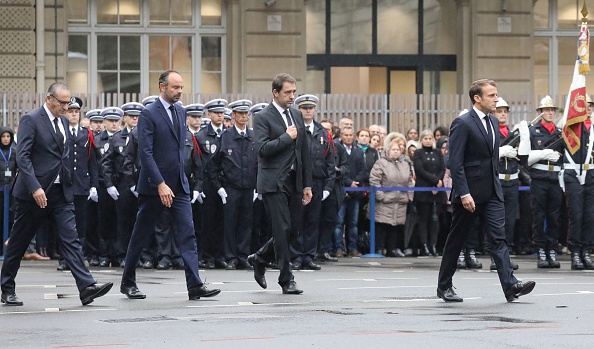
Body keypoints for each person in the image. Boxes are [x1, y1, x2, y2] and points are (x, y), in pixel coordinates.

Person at [0, 82, 113, 306]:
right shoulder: (31, 120)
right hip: (34, 194)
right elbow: (23, 157)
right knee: (19, 242)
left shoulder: (62, 122)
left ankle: (86, 286)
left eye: (68, 102)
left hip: (61, 193)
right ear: (49, 98)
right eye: (62, 102)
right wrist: (35, 187)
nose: (66, 106)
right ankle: (7, 286)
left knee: (70, 239)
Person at [120, 70, 220, 300]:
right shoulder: (148, 113)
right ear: (162, 87)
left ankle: (194, 285)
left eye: (181, 87)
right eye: (175, 87)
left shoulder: (180, 110)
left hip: (179, 186)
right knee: (141, 234)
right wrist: (160, 184)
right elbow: (145, 153)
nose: (179, 91)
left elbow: (178, 150)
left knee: (187, 234)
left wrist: (180, 181)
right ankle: (128, 282)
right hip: (155, 187)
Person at [437, 79, 535, 303]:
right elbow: (455, 162)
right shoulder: (462, 123)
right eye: (491, 95)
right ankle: (444, 286)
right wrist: (463, 193)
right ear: (477, 98)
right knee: (457, 239)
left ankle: (510, 286)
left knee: (499, 239)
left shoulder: (492, 121)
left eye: (496, 94)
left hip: (492, 191)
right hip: (469, 194)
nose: (496, 99)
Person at [247, 73, 313, 295]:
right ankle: (287, 279)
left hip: (294, 180)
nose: (292, 96)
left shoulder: (296, 114)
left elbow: (303, 151)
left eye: (294, 92)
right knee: (281, 229)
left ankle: (260, 257)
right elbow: (262, 150)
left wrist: (307, 185)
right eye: (287, 92)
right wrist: (286, 136)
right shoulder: (263, 117)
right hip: (273, 181)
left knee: (292, 230)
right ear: (275, 92)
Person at [208, 99, 258, 270]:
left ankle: (243, 256)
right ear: (234, 115)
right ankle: (230, 257)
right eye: (240, 114)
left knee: (246, 223)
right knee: (229, 224)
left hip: (249, 187)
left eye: (246, 114)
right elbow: (213, 166)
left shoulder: (253, 137)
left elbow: (259, 164)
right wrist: (219, 188)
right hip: (231, 187)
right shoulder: (225, 137)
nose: (244, 116)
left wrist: (257, 187)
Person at [290, 94, 335, 270]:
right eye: (304, 108)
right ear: (299, 109)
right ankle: (295, 256)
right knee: (297, 221)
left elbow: (330, 161)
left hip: (317, 183)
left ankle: (308, 256)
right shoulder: (294, 130)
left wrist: (328, 187)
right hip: (298, 182)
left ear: (315, 110)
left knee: (313, 221)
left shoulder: (323, 133)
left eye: (310, 108)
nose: (307, 111)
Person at [57, 97, 98, 271]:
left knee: (80, 224)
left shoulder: (86, 134)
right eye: (70, 112)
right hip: (65, 184)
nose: (73, 115)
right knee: (64, 224)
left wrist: (94, 185)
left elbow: (92, 162)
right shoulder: (61, 132)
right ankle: (64, 258)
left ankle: (78, 258)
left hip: (81, 184)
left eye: (76, 112)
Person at [526, 96, 563, 269]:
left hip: (555, 179)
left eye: (552, 110)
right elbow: (526, 157)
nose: (550, 113)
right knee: (539, 216)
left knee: (554, 217)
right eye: (546, 110)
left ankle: (552, 249)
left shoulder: (560, 133)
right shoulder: (533, 131)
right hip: (539, 179)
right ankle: (541, 249)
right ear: (540, 112)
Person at [562, 94, 594, 270]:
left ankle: (586, 251)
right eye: (585, 106)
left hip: (591, 175)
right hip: (573, 174)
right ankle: (575, 252)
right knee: (576, 215)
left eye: (590, 106)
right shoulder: (572, 129)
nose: (588, 109)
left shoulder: (593, 128)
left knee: (590, 216)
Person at [369, 139, 413, 257]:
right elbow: (374, 180)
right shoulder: (381, 163)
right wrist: (380, 196)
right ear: (388, 150)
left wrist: (409, 196)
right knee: (382, 225)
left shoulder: (405, 164)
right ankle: (379, 248)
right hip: (385, 200)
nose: (396, 152)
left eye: (398, 150)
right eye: (393, 149)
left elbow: (409, 181)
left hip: (400, 200)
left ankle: (391, 249)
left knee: (395, 226)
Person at [491, 97, 520, 271]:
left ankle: (506, 255)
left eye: (505, 112)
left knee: (509, 221)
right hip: (497, 179)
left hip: (512, 180)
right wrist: (500, 152)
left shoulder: (511, 134)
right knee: (496, 221)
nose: (502, 114)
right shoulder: (491, 130)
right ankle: (496, 257)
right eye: (499, 111)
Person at [333, 126, 366, 257]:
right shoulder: (338, 150)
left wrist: (355, 182)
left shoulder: (358, 152)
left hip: (355, 192)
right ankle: (339, 248)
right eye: (345, 135)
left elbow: (364, 170)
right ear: (341, 136)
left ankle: (353, 248)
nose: (348, 137)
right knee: (338, 222)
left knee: (353, 223)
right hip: (342, 189)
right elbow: (337, 168)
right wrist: (348, 182)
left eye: (350, 135)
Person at [413, 130, 446, 257]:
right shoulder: (418, 153)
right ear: (421, 140)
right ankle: (424, 245)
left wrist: (439, 181)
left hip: (437, 191)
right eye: (425, 138)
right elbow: (420, 169)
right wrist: (435, 181)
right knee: (424, 219)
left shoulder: (438, 152)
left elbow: (442, 168)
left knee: (435, 220)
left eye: (430, 138)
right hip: (424, 190)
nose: (428, 140)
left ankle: (433, 244)